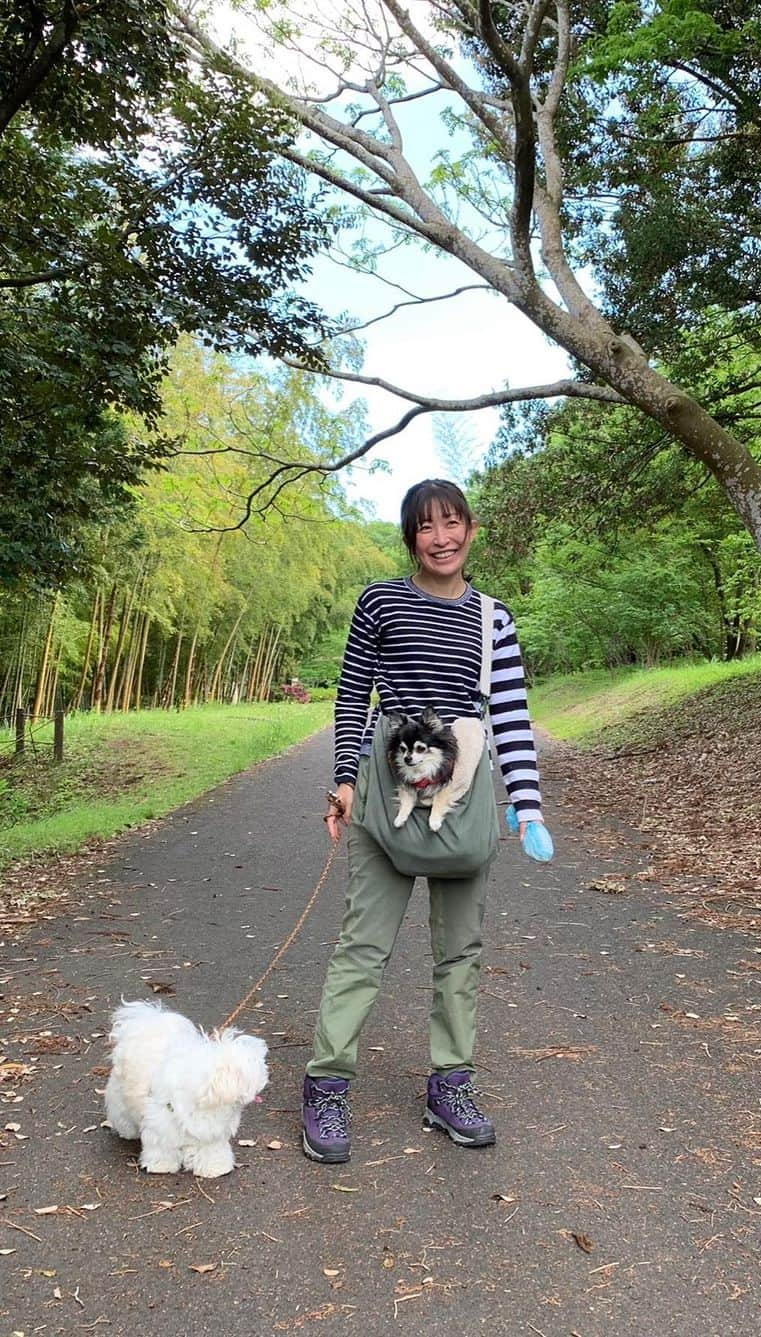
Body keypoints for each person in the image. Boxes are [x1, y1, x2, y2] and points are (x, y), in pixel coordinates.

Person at [301, 479, 544, 1163]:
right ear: (410, 537)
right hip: (388, 787)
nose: (442, 537)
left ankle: (451, 1082)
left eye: (453, 522)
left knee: (460, 951)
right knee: (362, 946)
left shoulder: (494, 618)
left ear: (471, 528)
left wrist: (527, 804)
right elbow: (353, 692)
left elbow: (512, 717)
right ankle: (325, 1083)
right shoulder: (381, 600)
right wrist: (344, 778)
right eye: (427, 526)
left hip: (462, 796)